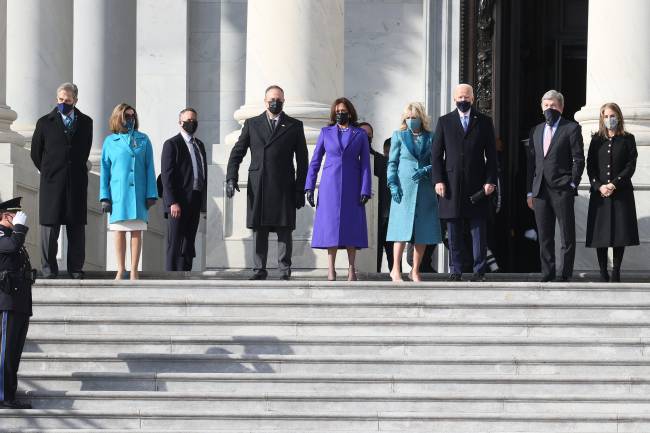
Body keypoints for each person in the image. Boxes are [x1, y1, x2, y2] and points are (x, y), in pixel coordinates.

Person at [226, 85, 308, 280]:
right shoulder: (252, 124)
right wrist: (231, 177)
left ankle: (284, 270)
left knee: (284, 228)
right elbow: (238, 151)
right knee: (259, 228)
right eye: (272, 99)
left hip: (284, 185)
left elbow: (303, 160)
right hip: (259, 183)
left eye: (279, 99)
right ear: (265, 101)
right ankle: (259, 269)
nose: (275, 102)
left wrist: (300, 188)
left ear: (283, 101)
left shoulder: (294, 125)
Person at [432, 84, 497, 282]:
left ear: (472, 98)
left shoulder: (484, 121)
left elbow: (492, 156)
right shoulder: (444, 122)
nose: (463, 100)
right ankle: (456, 269)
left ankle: (479, 271)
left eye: (466, 97)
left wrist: (490, 180)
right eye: (460, 96)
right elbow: (435, 154)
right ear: (454, 99)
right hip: (451, 185)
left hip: (477, 185)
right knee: (453, 230)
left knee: (478, 230)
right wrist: (438, 180)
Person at [30, 83, 93, 279]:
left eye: (67, 100)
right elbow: (35, 153)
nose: (63, 103)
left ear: (75, 100)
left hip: (76, 182)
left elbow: (85, 150)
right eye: (60, 100)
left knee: (76, 227)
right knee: (49, 227)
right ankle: (49, 269)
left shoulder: (86, 122)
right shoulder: (44, 123)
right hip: (52, 182)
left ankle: (75, 268)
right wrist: (49, 171)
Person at [305, 98, 371, 281]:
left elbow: (365, 164)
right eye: (337, 111)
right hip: (329, 186)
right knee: (330, 227)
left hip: (353, 185)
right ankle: (331, 269)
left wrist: (365, 189)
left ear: (349, 113)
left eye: (343, 111)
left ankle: (351, 269)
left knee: (351, 226)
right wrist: (309, 186)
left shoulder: (360, 134)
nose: (340, 114)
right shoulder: (325, 133)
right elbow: (315, 160)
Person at [526, 90, 585, 282]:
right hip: (540, 190)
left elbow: (578, 159)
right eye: (546, 106)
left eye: (553, 106)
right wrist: (530, 191)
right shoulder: (536, 130)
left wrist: (572, 183)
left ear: (561, 107)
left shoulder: (571, 128)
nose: (549, 109)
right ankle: (547, 272)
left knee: (567, 234)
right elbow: (532, 164)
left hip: (562, 189)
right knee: (545, 235)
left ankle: (565, 273)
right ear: (541, 108)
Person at [99, 104, 157, 280]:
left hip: (138, 193)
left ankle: (133, 270)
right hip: (118, 193)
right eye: (127, 116)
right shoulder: (110, 141)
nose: (130, 119)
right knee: (119, 230)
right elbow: (105, 170)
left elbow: (150, 168)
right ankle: (120, 268)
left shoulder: (143, 139)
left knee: (136, 231)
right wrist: (104, 196)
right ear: (119, 117)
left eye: (133, 116)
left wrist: (151, 194)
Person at [387, 102, 442, 282]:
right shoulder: (399, 136)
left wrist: (426, 170)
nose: (411, 121)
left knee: (423, 230)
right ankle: (396, 268)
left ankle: (415, 270)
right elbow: (392, 163)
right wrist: (393, 184)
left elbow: (439, 161)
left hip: (425, 188)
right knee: (400, 229)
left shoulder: (431, 137)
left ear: (421, 118)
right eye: (408, 118)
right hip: (404, 189)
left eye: (414, 117)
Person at [585, 102, 638, 282]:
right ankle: (602, 272)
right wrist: (599, 186)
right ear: (602, 118)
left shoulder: (628, 139)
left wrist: (614, 184)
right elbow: (590, 166)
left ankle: (616, 271)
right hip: (599, 194)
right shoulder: (596, 140)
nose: (609, 119)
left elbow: (630, 166)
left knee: (619, 233)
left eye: (612, 116)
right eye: (606, 116)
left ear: (619, 116)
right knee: (601, 234)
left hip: (621, 193)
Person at [160, 108, 208, 271]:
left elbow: (202, 173)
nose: (191, 123)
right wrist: (172, 202)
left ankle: (186, 273)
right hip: (178, 202)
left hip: (195, 198)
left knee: (189, 241)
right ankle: (171, 277)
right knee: (175, 242)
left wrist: (203, 203)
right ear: (180, 122)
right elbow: (167, 177)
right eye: (187, 120)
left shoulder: (199, 145)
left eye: (194, 120)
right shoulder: (172, 144)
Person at [0, 197, 34, 409]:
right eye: (14, 214)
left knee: (14, 351)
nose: (18, 217)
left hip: (20, 302)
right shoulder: (3, 235)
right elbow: (11, 247)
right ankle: (3, 395)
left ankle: (9, 394)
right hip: (6, 301)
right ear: (5, 216)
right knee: (5, 350)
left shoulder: (14, 236)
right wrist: (20, 228)